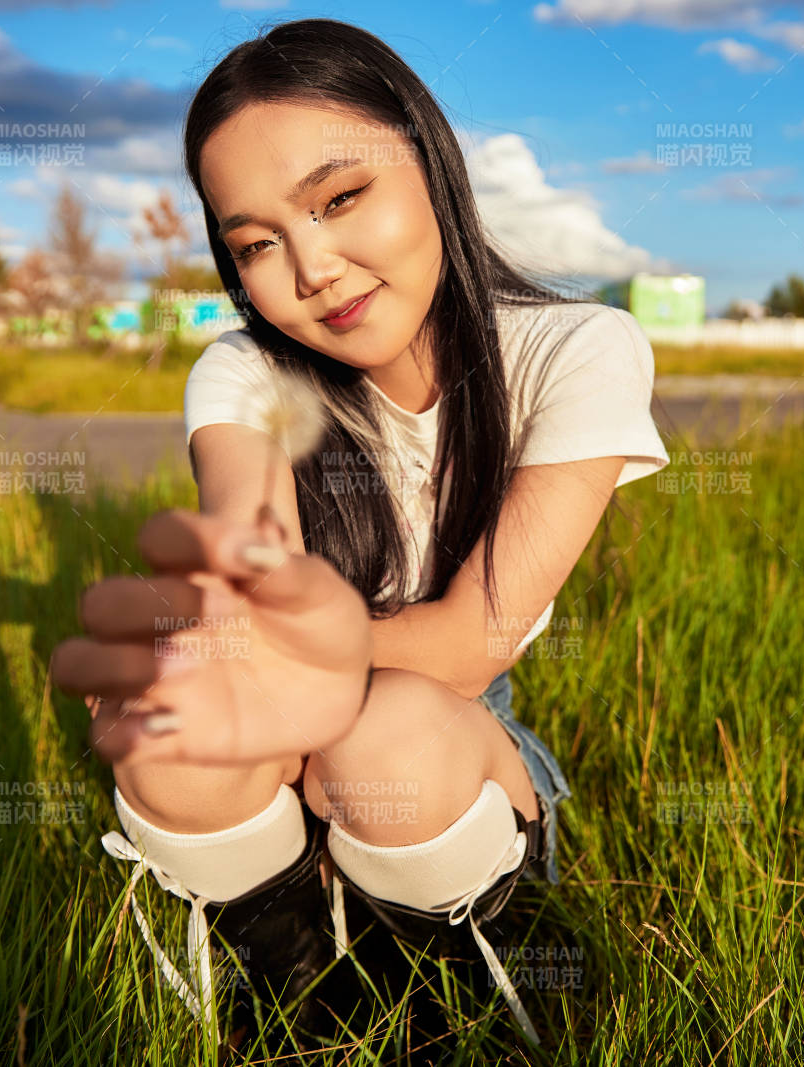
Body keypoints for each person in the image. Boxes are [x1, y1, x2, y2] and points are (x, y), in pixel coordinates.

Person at [48, 17, 669, 1055]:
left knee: (381, 731)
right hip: (291, 739)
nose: (313, 268)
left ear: (431, 162)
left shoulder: (577, 348)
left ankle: (478, 964)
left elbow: (471, 644)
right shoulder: (246, 374)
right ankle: (288, 976)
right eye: (256, 244)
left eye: (339, 199)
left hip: (448, 750)